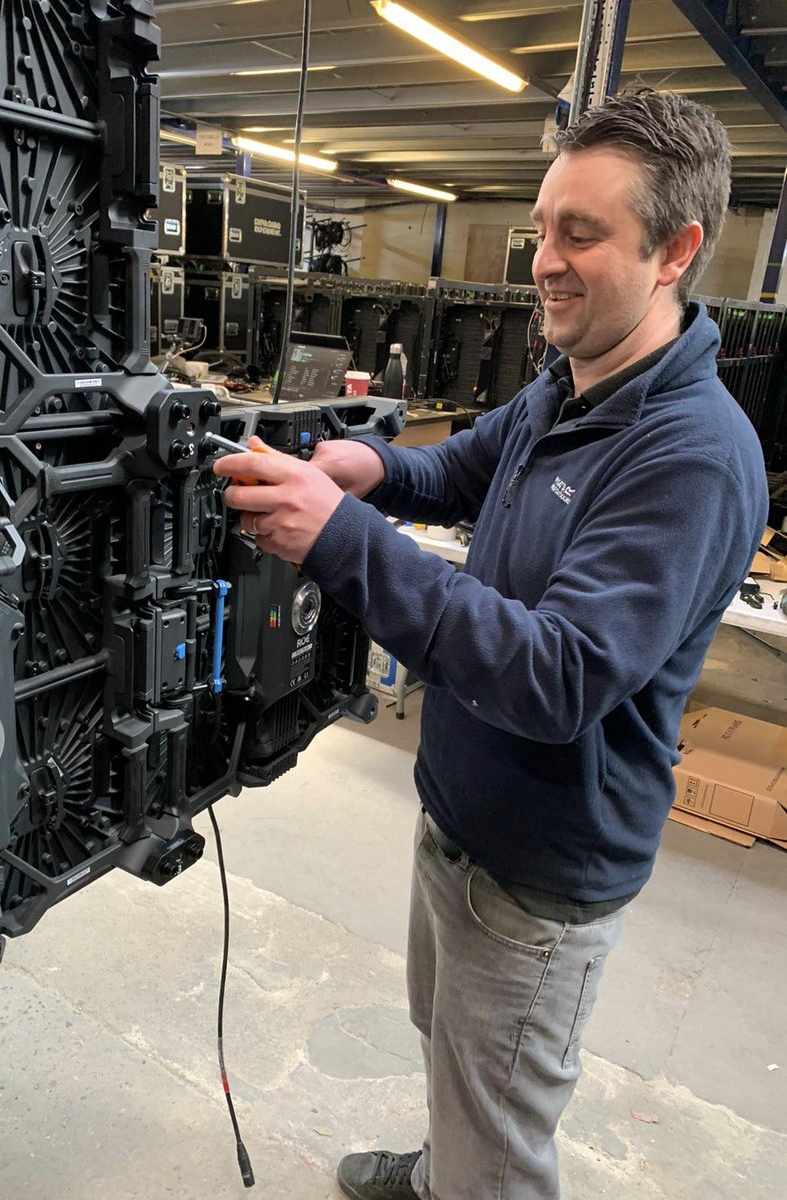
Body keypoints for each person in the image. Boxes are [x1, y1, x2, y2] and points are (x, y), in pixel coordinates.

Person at [213, 89, 768, 1200]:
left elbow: (557, 676)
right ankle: (439, 1174)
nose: (543, 264)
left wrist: (342, 540)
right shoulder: (574, 380)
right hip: (465, 820)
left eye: (582, 234)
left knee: (500, 1130)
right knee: (454, 1051)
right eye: (541, 229)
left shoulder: (690, 454)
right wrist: (375, 470)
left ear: (677, 250)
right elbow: (464, 466)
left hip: (540, 871)